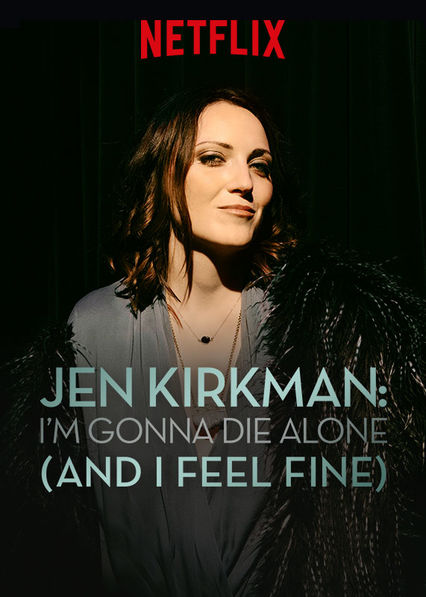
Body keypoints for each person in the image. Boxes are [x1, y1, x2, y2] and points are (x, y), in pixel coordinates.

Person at [3, 87, 425, 597]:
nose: (244, 182)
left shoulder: (316, 328)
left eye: (260, 166)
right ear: (164, 173)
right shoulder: (92, 327)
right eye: (212, 158)